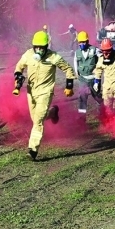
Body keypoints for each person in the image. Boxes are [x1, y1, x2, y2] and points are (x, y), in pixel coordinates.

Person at [13, 30, 76, 161]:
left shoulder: (54, 57)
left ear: (46, 46)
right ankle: (53, 112)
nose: (39, 50)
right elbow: (19, 66)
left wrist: (69, 86)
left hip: (46, 91)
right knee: (36, 118)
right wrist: (18, 75)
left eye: (41, 47)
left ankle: (33, 149)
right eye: (36, 47)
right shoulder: (28, 54)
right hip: (31, 91)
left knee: (38, 120)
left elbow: (68, 69)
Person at [73, 30, 101, 114]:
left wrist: (98, 70)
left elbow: (102, 58)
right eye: (80, 42)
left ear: (87, 41)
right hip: (83, 78)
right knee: (82, 97)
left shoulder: (94, 50)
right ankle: (81, 116)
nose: (82, 44)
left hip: (93, 78)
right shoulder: (77, 52)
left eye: (84, 42)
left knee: (97, 96)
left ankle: (103, 111)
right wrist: (76, 71)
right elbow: (75, 61)